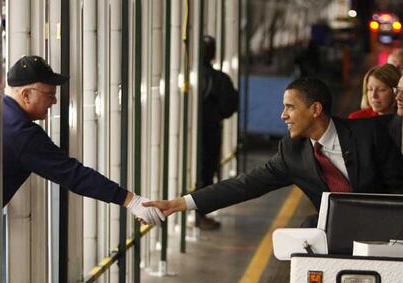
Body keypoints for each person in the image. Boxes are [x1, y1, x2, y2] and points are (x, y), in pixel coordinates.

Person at [144, 77, 403, 228]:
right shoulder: (292, 153)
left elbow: (398, 189)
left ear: (315, 109)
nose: (283, 115)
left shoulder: (368, 134)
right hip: (339, 233)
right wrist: (179, 204)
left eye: (290, 107)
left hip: (387, 230)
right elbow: (244, 185)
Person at [3, 55, 164, 225]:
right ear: (26, 95)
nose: (54, 101)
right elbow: (74, 174)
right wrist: (132, 201)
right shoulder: (22, 134)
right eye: (50, 94)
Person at [195, 36, 238, 230]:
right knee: (206, 173)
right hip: (210, 132)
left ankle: (195, 214)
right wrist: (214, 114)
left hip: (194, 135)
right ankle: (200, 215)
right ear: (213, 53)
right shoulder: (219, 79)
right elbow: (230, 106)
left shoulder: (189, 78)